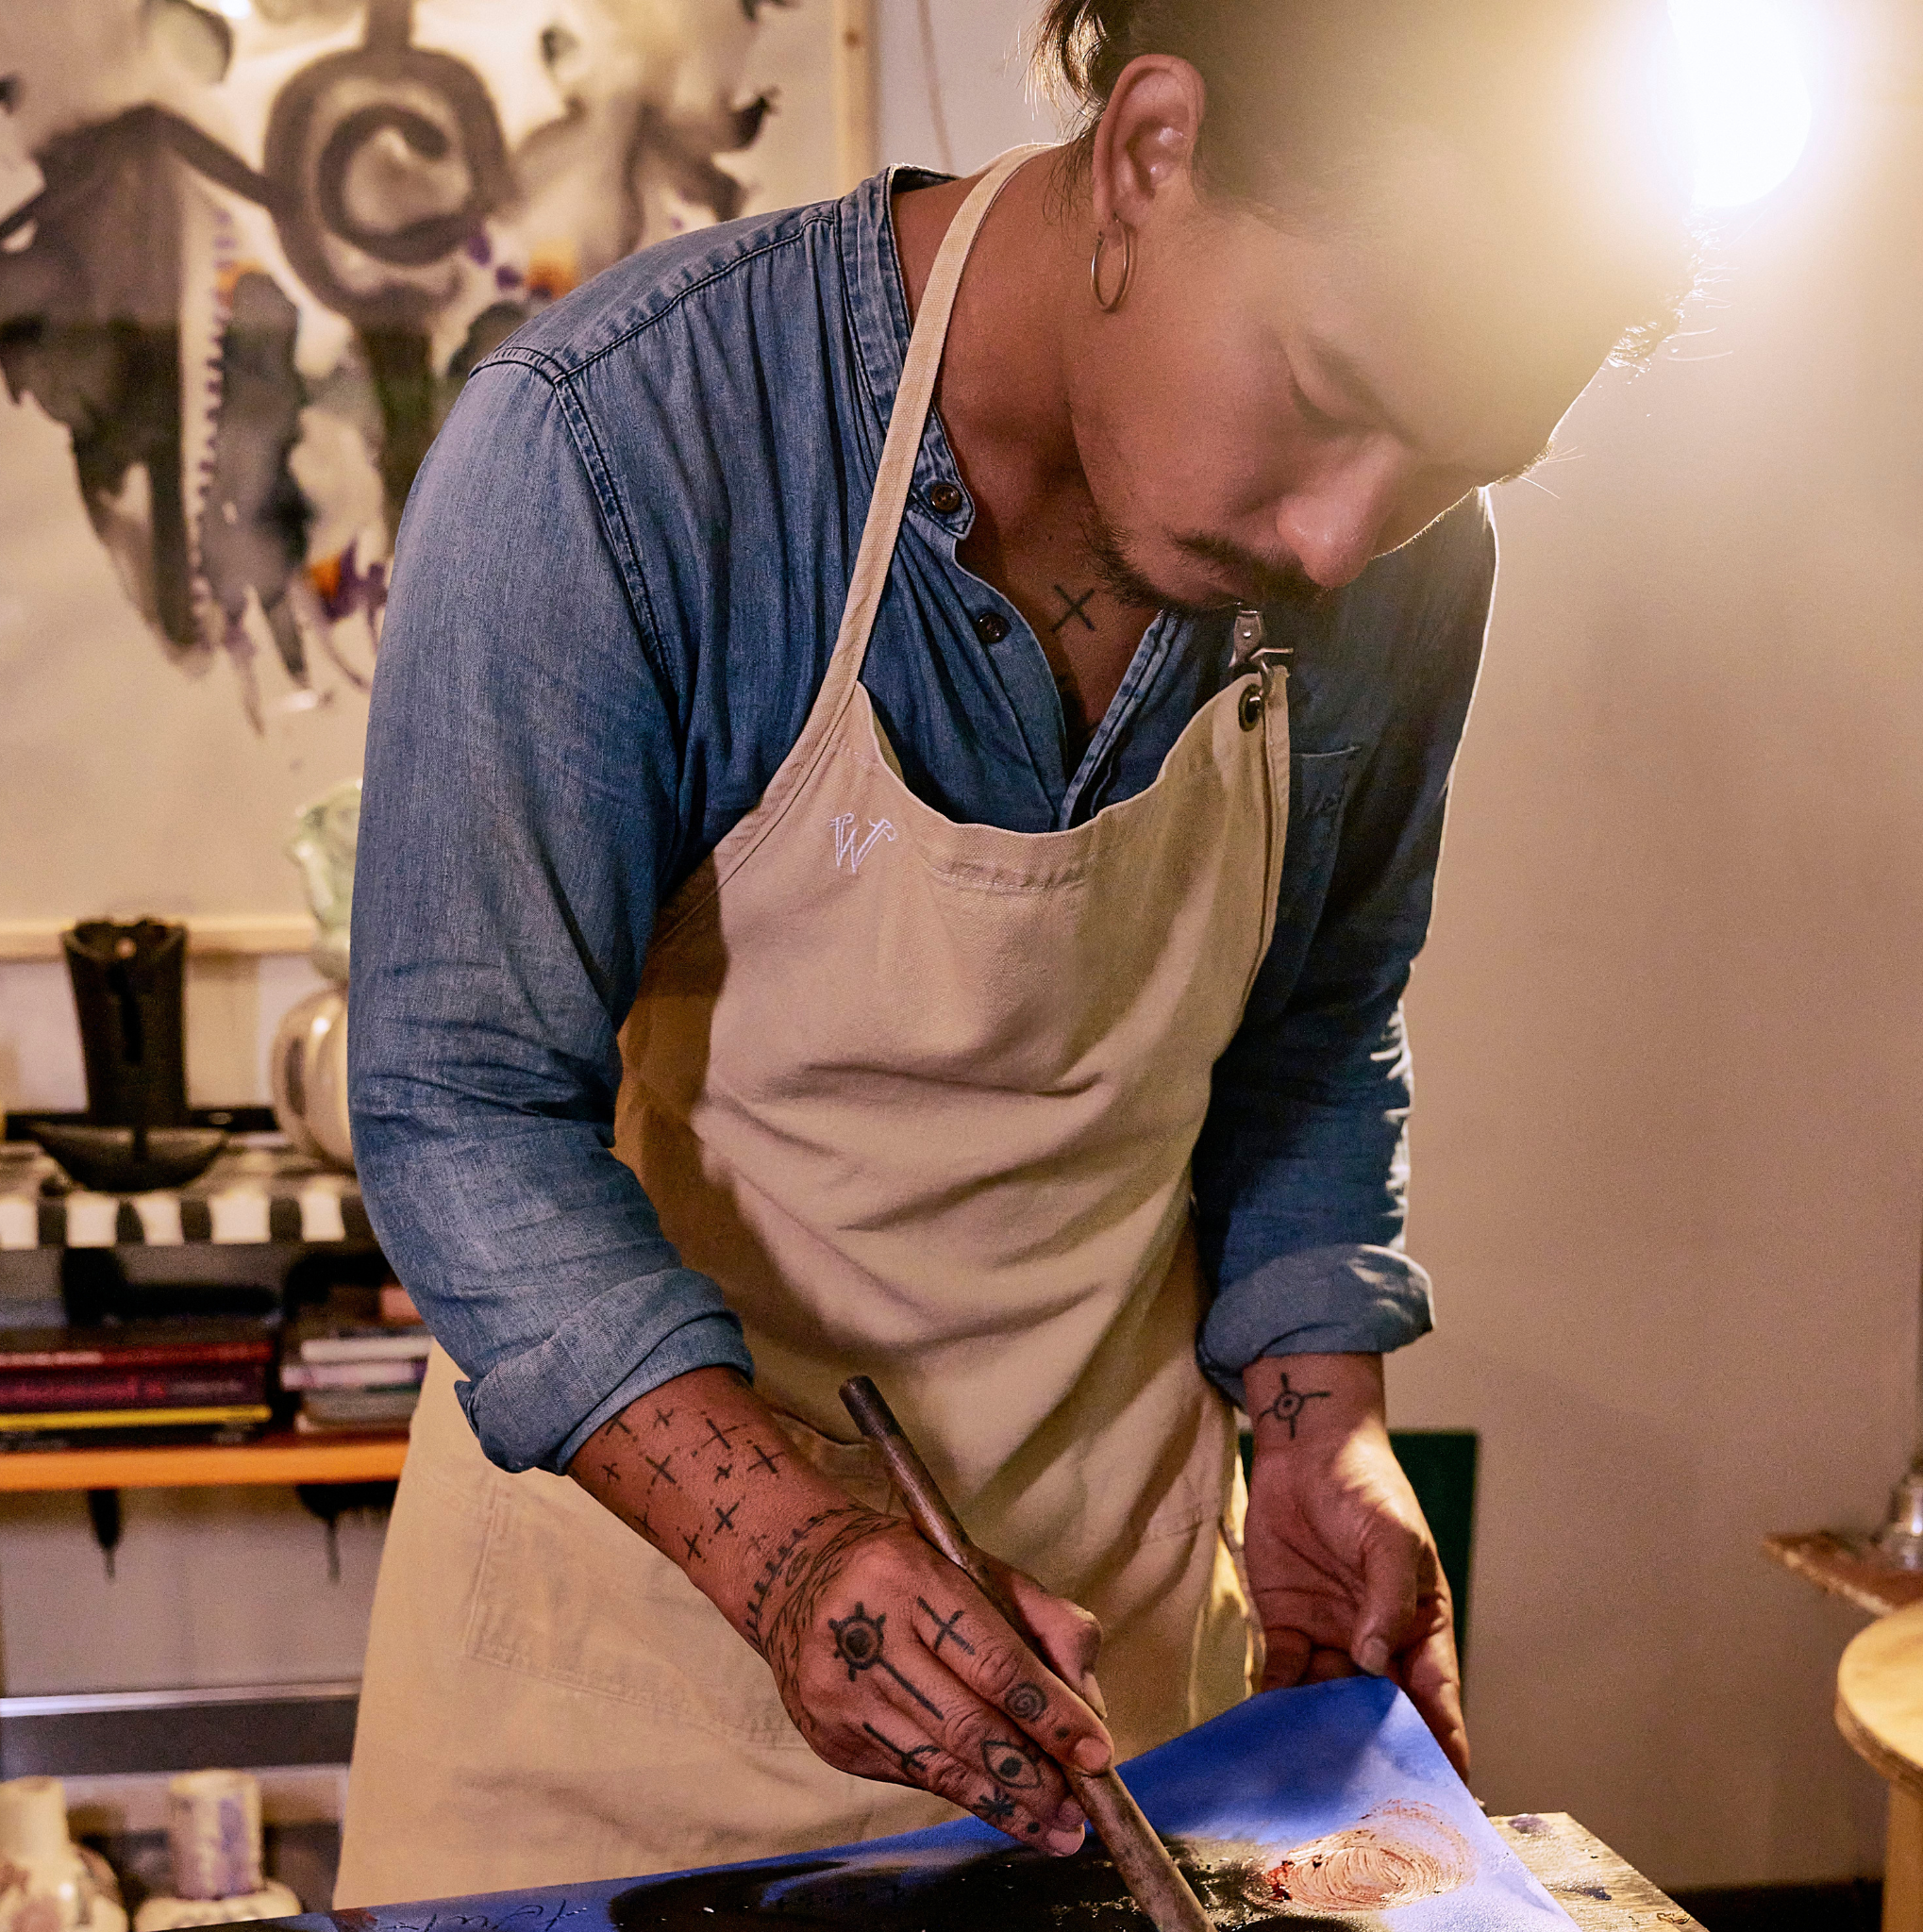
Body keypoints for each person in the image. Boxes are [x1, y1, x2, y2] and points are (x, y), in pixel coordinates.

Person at [335, 0, 1691, 1906]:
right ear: (1145, 150)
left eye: (1450, 467)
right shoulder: (623, 449)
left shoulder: (1398, 572)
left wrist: (1322, 1439)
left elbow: (1310, 1039)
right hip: (618, 1697)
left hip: (1113, 1702)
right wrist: (786, 1554)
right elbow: (460, 1107)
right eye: (1319, 394)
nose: (1338, 532)